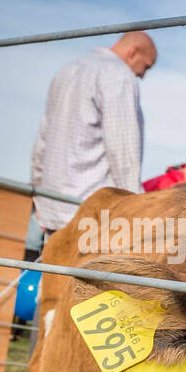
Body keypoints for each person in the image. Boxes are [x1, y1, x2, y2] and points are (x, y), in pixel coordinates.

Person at [30, 31, 156, 236]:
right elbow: (122, 151)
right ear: (133, 52)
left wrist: (41, 200)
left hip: (55, 210)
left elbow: (42, 143)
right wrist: (136, 212)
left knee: (54, 269)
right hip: (90, 214)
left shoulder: (67, 71)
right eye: (147, 66)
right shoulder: (119, 76)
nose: (143, 75)